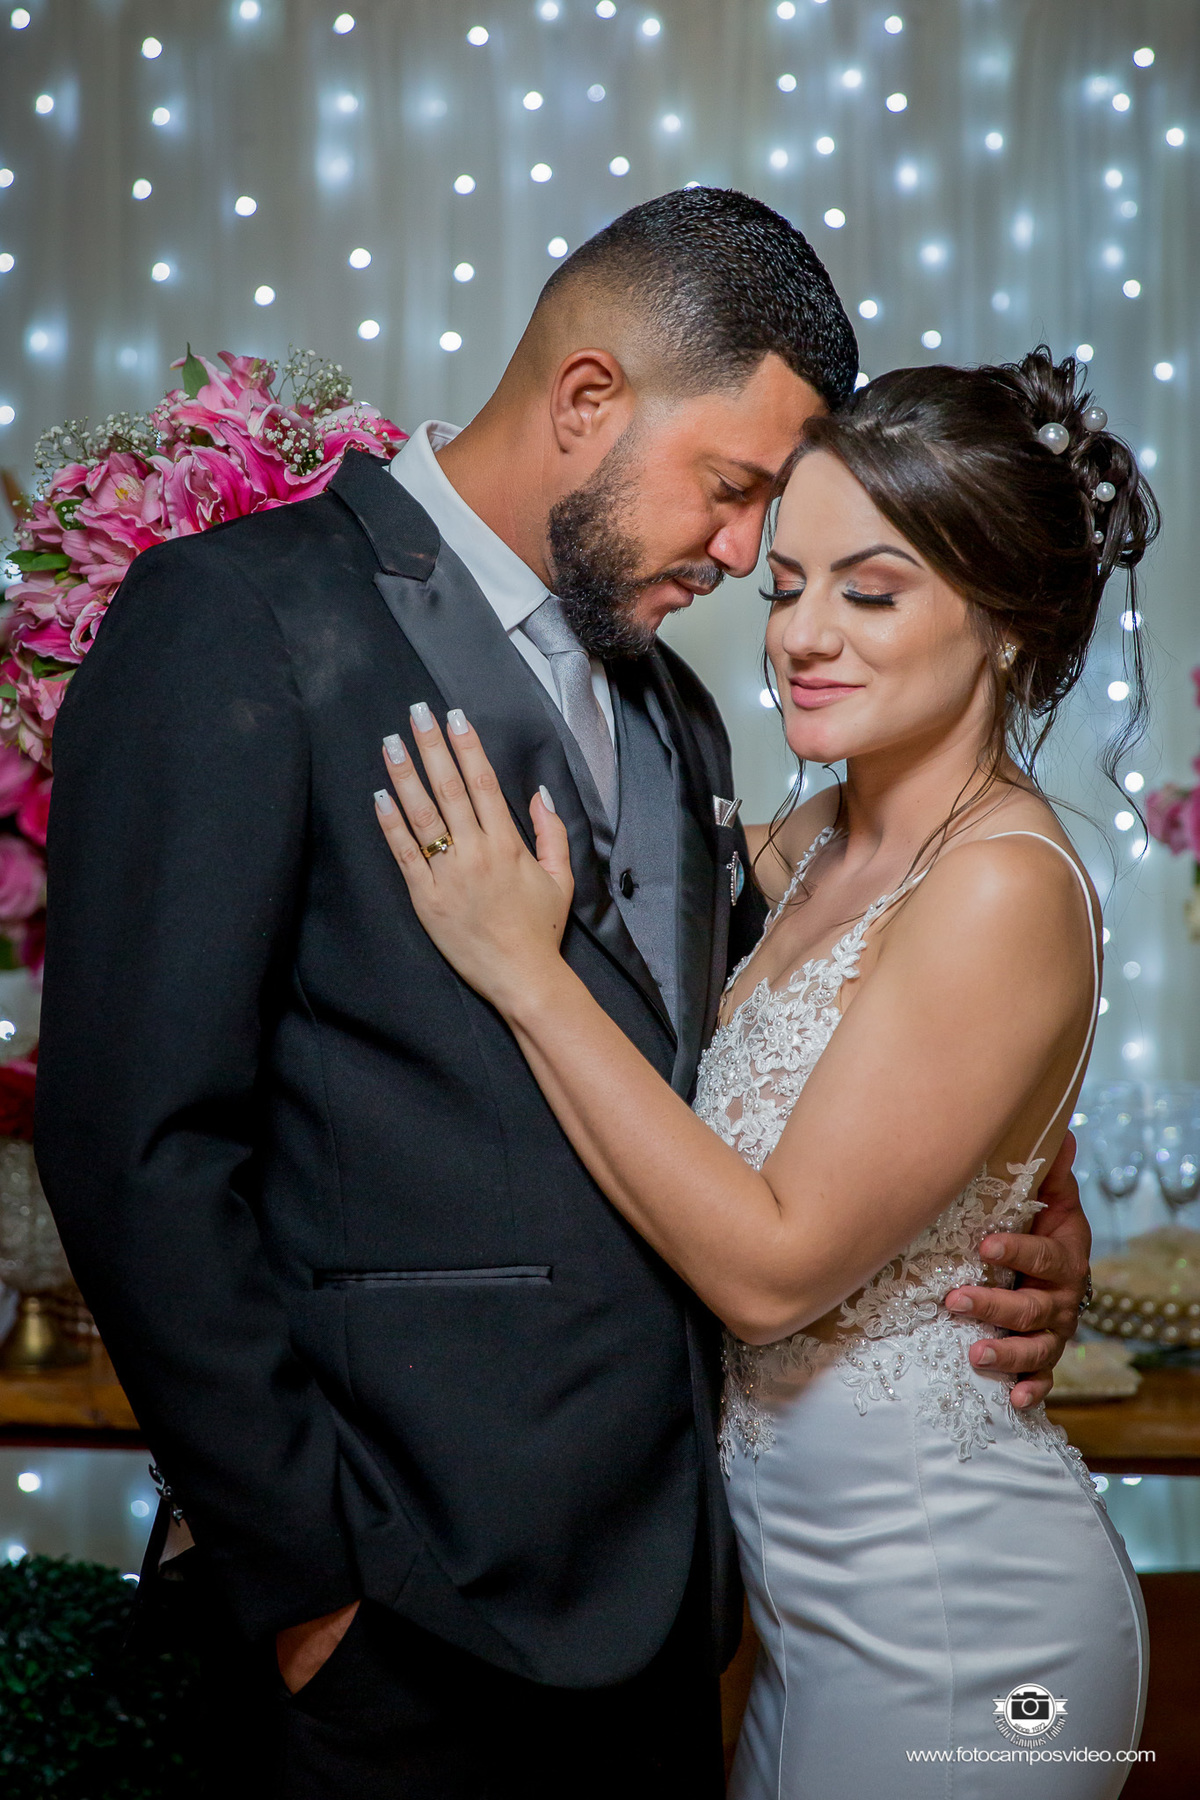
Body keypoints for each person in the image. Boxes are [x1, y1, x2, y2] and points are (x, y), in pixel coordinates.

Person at [36, 190, 1088, 1798]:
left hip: (671, 1621)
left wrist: (1023, 1198)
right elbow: (136, 1150)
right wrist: (308, 1587)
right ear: (589, 398)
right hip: (392, 1627)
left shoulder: (675, 709)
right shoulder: (239, 622)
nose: (745, 558)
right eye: (731, 491)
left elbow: (855, 1024)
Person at [370, 345, 1152, 1795]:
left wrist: (524, 973)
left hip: (963, 1622)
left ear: (1005, 622)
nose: (803, 634)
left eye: (872, 591)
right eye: (788, 585)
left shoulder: (999, 881)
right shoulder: (807, 848)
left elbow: (775, 1271)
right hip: (806, 1620)